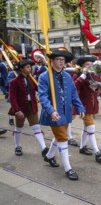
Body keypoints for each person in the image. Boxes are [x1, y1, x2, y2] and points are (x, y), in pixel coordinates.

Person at [38, 50, 85, 180]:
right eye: (58, 59)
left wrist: (80, 106)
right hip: (54, 113)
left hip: (66, 112)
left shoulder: (67, 76)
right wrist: (51, 111)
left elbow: (74, 94)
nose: (61, 62)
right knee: (63, 138)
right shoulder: (44, 77)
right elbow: (42, 97)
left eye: (63, 60)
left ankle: (48, 156)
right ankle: (68, 168)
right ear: (51, 61)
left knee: (59, 136)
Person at [73, 55, 101, 162]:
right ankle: (97, 152)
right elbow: (74, 88)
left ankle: (82, 147)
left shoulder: (95, 76)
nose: (89, 66)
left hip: (93, 105)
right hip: (83, 106)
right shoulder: (77, 76)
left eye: (91, 64)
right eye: (87, 64)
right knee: (91, 128)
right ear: (82, 66)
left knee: (87, 128)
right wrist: (83, 75)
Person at [8, 59, 49, 156]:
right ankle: (18, 146)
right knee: (18, 128)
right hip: (20, 109)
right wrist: (17, 111)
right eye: (27, 67)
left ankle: (44, 149)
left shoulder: (32, 80)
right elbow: (12, 98)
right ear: (21, 69)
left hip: (32, 107)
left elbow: (39, 90)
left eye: (30, 67)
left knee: (37, 128)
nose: (30, 68)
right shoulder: (14, 82)